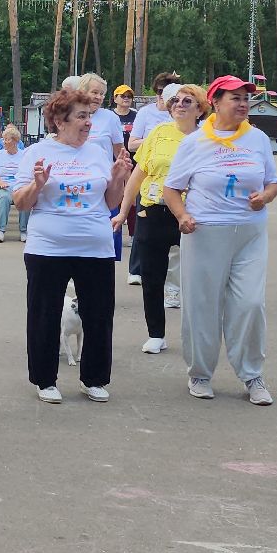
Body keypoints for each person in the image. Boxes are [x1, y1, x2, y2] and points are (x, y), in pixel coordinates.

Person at [162, 75, 277, 406]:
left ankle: (252, 374)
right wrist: (183, 216)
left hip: (249, 234)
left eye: (245, 98)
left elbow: (272, 182)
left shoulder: (256, 139)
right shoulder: (195, 142)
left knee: (250, 304)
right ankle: (200, 373)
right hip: (205, 232)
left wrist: (265, 197)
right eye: (235, 98)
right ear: (215, 102)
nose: (243, 104)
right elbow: (172, 189)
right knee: (202, 305)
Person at [14, 88, 133, 404]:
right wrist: (37, 185)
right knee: (44, 315)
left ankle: (93, 378)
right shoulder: (37, 153)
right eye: (81, 116)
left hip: (95, 247)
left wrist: (119, 178)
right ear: (58, 120)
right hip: (47, 247)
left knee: (98, 315)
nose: (88, 122)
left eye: (90, 115)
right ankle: (45, 380)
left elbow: (108, 201)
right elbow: (21, 203)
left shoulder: (96, 152)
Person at [113, 83, 203, 353]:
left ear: (200, 109)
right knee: (152, 277)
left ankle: (197, 335)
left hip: (190, 214)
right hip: (152, 210)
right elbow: (139, 173)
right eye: (175, 100)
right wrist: (122, 210)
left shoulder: (206, 139)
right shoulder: (159, 132)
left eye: (187, 101)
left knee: (196, 278)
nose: (179, 105)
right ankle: (156, 334)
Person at [0, 125, 29, 242]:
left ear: (15, 141)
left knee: (25, 197)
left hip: (20, 186)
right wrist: (0, 183)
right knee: (3, 197)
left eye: (7, 139)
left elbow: (27, 174)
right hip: (5, 186)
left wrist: (22, 185)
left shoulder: (24, 155)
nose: (4, 142)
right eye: (3, 139)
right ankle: (1, 231)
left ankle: (23, 230)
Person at [128, 71, 181, 153]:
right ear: (156, 92)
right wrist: (156, 139)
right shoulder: (145, 112)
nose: (163, 95)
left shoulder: (181, 113)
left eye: (168, 92)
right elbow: (131, 145)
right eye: (160, 91)